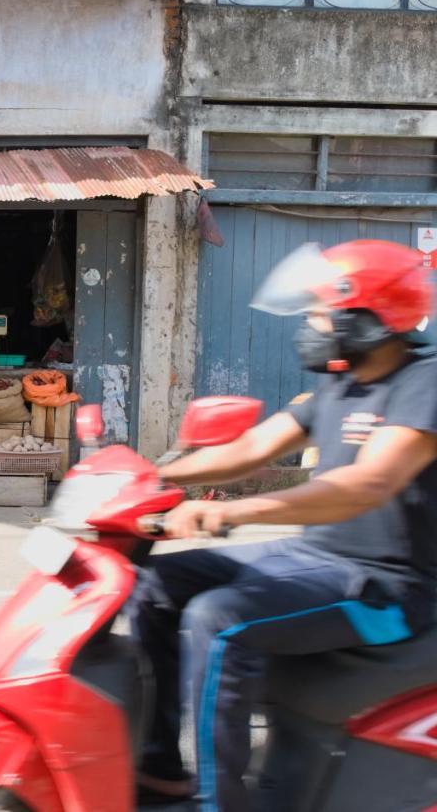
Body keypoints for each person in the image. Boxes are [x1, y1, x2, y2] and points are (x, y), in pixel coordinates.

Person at [128, 239, 437, 811]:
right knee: (152, 588)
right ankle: (160, 769)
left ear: (369, 317)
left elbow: (367, 484)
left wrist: (231, 510)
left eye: (321, 311)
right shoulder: (342, 384)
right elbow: (251, 448)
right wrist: (149, 477)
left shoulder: (424, 383)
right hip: (313, 560)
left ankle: (218, 803)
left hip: (384, 587)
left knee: (218, 620)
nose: (312, 323)